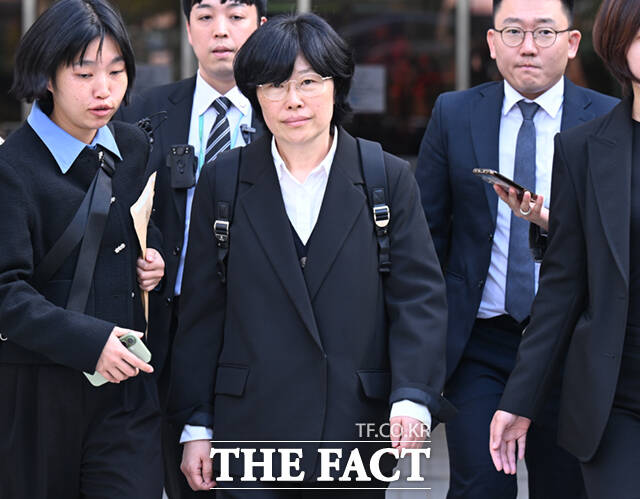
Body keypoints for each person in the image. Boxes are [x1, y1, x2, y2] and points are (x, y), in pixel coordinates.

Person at [168, 12, 452, 497]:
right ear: (255, 95)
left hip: (352, 426)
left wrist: (412, 397)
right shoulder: (224, 180)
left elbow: (417, 299)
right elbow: (202, 311)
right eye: (276, 85)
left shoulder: (385, 177)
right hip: (249, 425)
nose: (293, 100)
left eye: (309, 82)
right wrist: (196, 423)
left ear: (336, 87)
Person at [416, 0, 618, 497]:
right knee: (480, 486)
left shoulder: (608, 120)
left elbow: (616, 242)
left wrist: (551, 222)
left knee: (567, 487)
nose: (528, 47)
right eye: (513, 32)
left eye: (544, 32)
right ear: (491, 42)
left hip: (571, 344)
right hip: (481, 342)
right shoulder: (454, 114)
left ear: (572, 43)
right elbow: (425, 238)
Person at [0, 0, 165, 497]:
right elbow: (6, 291)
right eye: (84, 73)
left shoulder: (134, 147)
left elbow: (144, 227)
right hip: (37, 395)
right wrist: (91, 343)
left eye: (116, 71)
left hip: (127, 391)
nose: (104, 89)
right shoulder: (12, 168)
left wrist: (154, 258)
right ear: (47, 76)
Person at [114, 1, 266, 496]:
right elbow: (123, 206)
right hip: (167, 327)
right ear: (187, 29)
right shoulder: (145, 111)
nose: (221, 31)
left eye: (236, 16)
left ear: (261, 27)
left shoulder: (286, 111)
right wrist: (147, 252)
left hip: (261, 327)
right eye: (205, 16)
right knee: (175, 474)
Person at [490, 0, 640, 497]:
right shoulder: (583, 149)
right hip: (617, 398)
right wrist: (520, 400)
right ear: (619, 44)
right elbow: (562, 287)